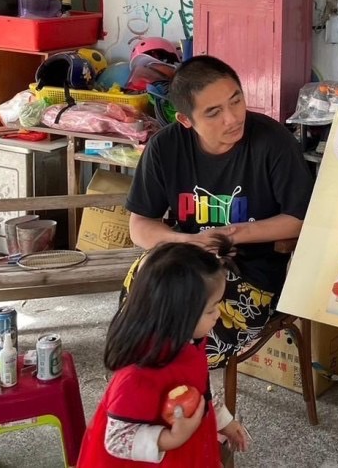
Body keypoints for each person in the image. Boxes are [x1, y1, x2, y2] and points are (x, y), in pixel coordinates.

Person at [123, 55, 314, 367]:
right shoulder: (165, 148)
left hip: (251, 277)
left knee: (183, 347)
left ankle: (181, 387)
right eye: (213, 112)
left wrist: (229, 234)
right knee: (141, 306)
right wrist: (188, 242)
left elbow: (300, 220)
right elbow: (140, 225)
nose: (232, 118)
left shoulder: (273, 142)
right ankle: (156, 388)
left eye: (236, 101)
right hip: (186, 262)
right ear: (186, 120)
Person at [78, 243, 250, 466]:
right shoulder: (137, 373)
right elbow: (117, 440)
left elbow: (201, 387)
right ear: (177, 315)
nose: (217, 314)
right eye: (211, 309)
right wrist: (172, 438)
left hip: (188, 445)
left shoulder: (191, 342)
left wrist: (224, 422)